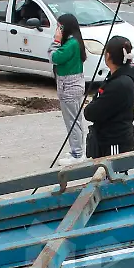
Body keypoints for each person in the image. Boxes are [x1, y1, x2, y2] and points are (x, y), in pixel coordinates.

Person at [83, 36, 134, 158]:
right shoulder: (116, 78)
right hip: (108, 139)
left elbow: (91, 112)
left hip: (114, 143)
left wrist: (93, 104)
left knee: (113, 176)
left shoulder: (119, 84)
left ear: (108, 56)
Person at [49, 14, 87, 166]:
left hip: (69, 88)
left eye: (59, 27)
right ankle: (77, 150)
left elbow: (54, 57)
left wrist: (56, 41)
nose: (57, 30)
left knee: (72, 122)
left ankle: (77, 154)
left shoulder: (70, 44)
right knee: (75, 120)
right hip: (73, 85)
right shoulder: (75, 41)